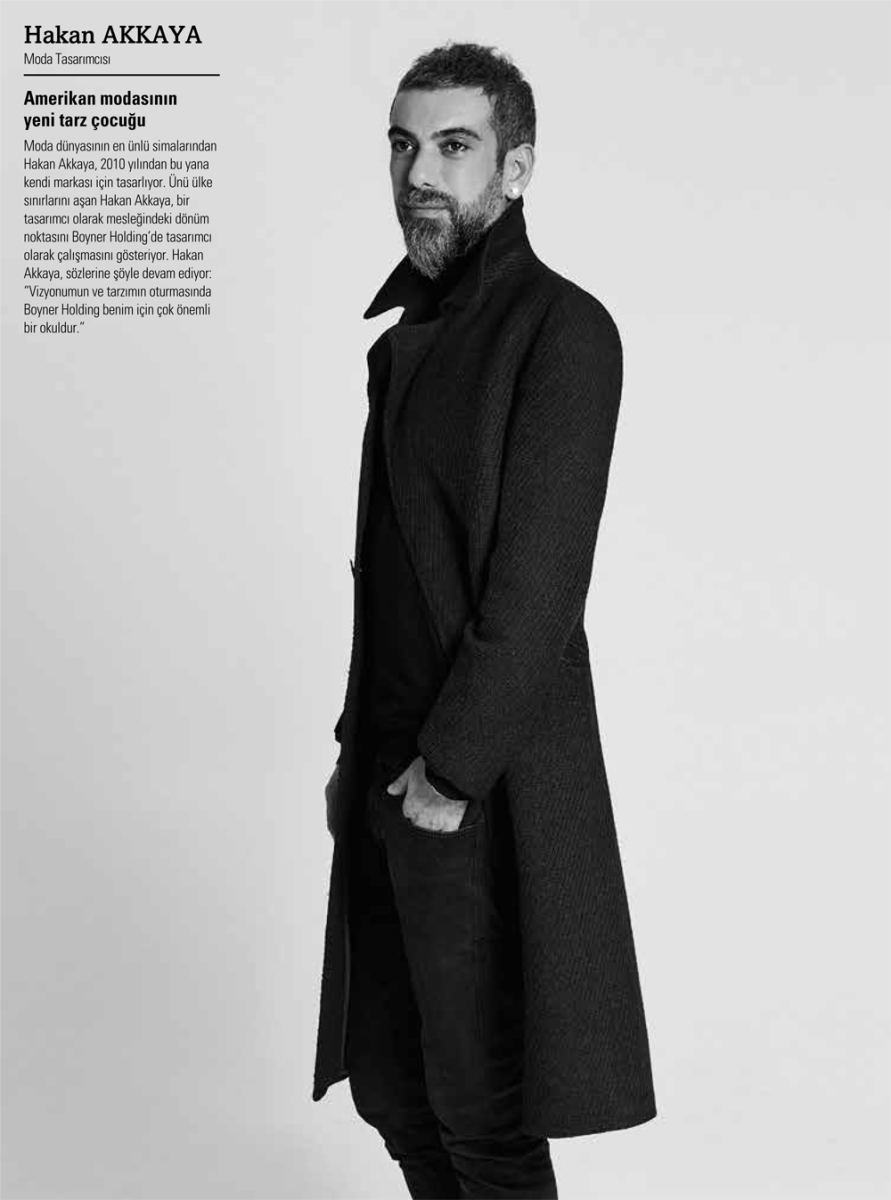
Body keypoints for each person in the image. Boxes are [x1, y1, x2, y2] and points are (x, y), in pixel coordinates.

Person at [314, 41, 657, 1199]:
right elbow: (393, 579)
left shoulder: (563, 329)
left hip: (477, 783)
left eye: (454, 146)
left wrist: (448, 773)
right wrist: (358, 760)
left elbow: (539, 588)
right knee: (395, 1094)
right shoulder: (404, 346)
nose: (420, 172)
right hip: (387, 774)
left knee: (483, 1118)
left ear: (515, 167)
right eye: (403, 145)